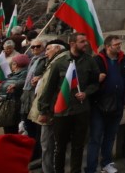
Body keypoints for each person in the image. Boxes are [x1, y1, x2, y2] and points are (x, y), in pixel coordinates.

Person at [37, 32, 100, 173]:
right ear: (72, 44)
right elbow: (49, 88)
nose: (86, 44)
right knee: (60, 147)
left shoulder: (90, 61)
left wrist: (86, 93)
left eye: (86, 41)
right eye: (82, 41)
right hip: (62, 112)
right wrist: (43, 110)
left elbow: (95, 83)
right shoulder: (59, 63)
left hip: (81, 111)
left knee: (78, 147)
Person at [87, 35, 125, 173]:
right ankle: (91, 168)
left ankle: (106, 163)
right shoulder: (96, 60)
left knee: (110, 136)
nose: (119, 46)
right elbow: (88, 81)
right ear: (107, 47)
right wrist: (97, 79)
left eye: (120, 44)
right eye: (116, 44)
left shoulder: (124, 59)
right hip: (99, 105)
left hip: (117, 104)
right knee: (95, 137)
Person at [29, 39, 68, 173]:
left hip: (50, 111)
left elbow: (54, 90)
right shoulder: (52, 62)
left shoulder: (59, 62)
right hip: (46, 109)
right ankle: (46, 166)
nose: (46, 53)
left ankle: (48, 169)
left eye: (48, 49)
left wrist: (45, 111)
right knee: (46, 144)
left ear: (57, 49)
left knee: (48, 144)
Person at [20, 39, 48, 165]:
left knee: (35, 129)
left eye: (37, 47)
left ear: (44, 47)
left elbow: (47, 75)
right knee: (28, 126)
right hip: (27, 95)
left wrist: (40, 78)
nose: (34, 49)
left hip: (34, 96)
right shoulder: (33, 58)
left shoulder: (44, 59)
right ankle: (33, 153)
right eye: (32, 47)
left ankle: (37, 155)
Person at [0, 53, 30, 134]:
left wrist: (5, 86)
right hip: (12, 104)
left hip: (14, 105)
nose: (12, 65)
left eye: (13, 63)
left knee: (11, 129)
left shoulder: (24, 73)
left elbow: (22, 82)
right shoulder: (18, 73)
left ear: (16, 64)